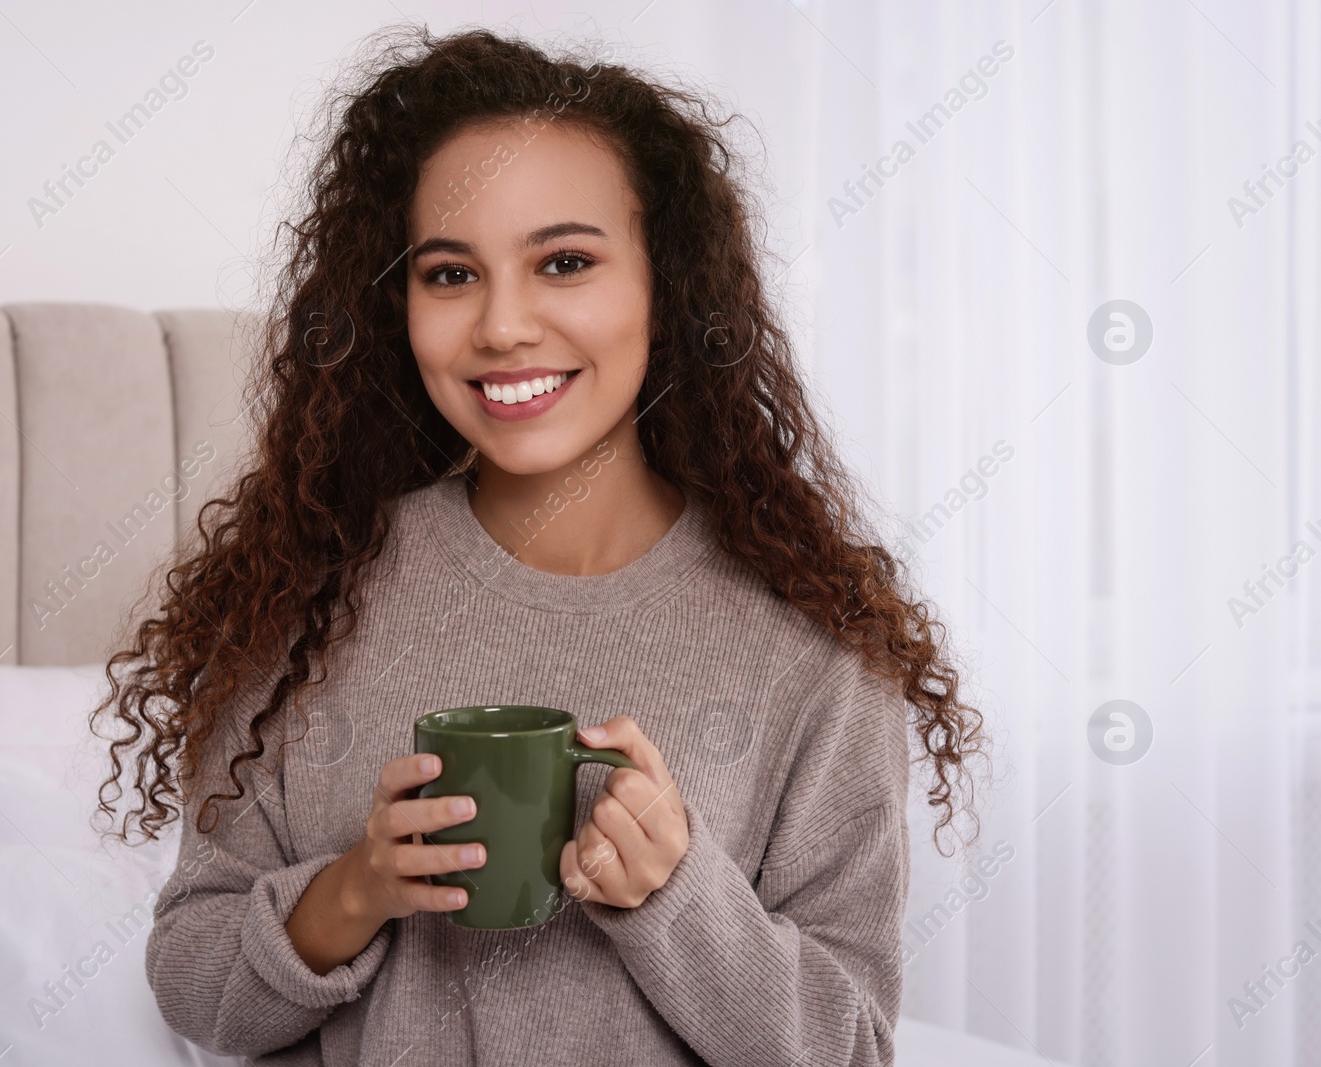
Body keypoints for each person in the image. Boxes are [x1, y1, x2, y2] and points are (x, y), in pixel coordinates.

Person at [93, 25, 985, 1067]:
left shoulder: (811, 641)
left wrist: (674, 893)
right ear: (400, 306)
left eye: (564, 261)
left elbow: (847, 1045)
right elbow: (196, 985)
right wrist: (355, 888)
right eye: (449, 273)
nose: (503, 326)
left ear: (668, 288)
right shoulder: (307, 587)